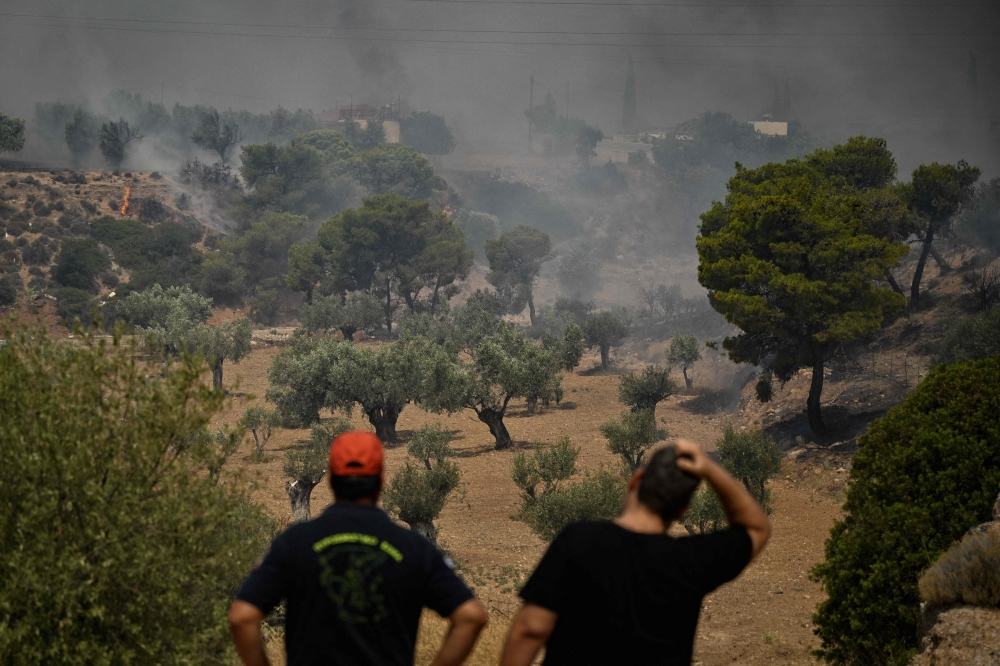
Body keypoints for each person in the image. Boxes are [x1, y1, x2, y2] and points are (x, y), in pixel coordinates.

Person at [500, 439, 771, 666]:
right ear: (683, 509)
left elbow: (530, 630)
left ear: (636, 479)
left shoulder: (578, 540)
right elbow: (756, 528)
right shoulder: (690, 561)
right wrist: (710, 469)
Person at [229, 431, 488, 666]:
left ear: (330, 480)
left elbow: (242, 617)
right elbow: (471, 616)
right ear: (382, 480)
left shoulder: (294, 543)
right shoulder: (413, 548)